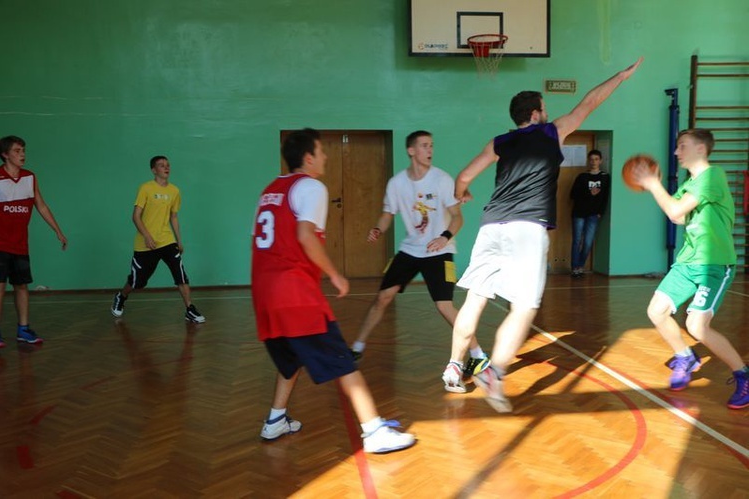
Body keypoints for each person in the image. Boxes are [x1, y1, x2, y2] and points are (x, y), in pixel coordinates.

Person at [441, 57, 644, 413]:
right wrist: (621, 77)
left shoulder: (500, 142)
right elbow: (591, 102)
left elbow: (464, 175)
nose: (548, 113)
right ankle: (495, 373)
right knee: (523, 307)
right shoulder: (552, 132)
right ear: (535, 113)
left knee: (475, 299)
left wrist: (461, 193)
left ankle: (455, 366)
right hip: (527, 227)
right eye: (545, 108)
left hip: (491, 225)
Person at [252, 128, 415, 453]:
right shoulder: (311, 186)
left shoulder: (272, 188)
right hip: (294, 292)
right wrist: (335, 274)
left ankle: (275, 420)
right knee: (342, 360)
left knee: (289, 362)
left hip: (264, 294)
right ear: (309, 158)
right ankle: (374, 432)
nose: (326, 157)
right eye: (322, 151)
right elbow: (305, 235)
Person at [350, 130, 487, 393]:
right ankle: (357, 348)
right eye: (424, 145)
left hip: (440, 251)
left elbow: (458, 218)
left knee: (445, 306)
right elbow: (387, 214)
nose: (429, 149)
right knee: (383, 297)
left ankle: (478, 354)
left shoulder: (442, 180)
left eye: (431, 145)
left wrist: (444, 237)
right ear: (411, 151)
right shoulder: (397, 183)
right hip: (410, 250)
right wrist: (378, 229)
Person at [632, 129, 748, 409]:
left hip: (713, 263)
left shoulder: (713, 175)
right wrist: (656, 186)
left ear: (700, 148)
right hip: (687, 262)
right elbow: (680, 217)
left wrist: (652, 183)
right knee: (655, 311)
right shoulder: (690, 183)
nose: (676, 152)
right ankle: (685, 356)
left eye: (681, 146)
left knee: (697, 325)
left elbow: (673, 211)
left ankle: (743, 375)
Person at [110, 156, 205, 323]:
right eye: (161, 165)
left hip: (167, 240)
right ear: (154, 170)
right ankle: (121, 296)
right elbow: (135, 216)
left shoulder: (174, 191)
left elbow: (173, 217)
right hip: (145, 245)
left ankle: (189, 309)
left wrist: (179, 240)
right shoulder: (145, 188)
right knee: (137, 282)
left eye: (168, 165)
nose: (166, 168)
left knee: (180, 274)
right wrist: (147, 236)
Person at [0, 135, 67, 346]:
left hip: (20, 244)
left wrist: (58, 230)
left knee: (21, 286)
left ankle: (23, 329)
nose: (22, 155)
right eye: (17, 151)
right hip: (0, 244)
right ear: (5, 155)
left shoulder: (30, 177)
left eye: (23, 150)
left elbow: (42, 206)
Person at [569, 149, 610, 277]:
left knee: (588, 242)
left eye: (596, 159)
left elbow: (605, 197)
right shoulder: (582, 177)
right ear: (588, 161)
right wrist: (589, 193)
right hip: (579, 213)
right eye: (591, 159)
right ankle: (575, 268)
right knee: (577, 241)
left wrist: (600, 212)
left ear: (601, 161)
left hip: (594, 214)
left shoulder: (605, 177)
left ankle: (581, 266)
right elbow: (572, 194)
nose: (594, 162)